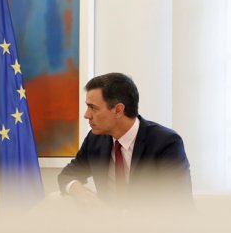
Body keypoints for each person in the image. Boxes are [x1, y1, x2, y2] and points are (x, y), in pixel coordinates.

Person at [58, 72, 193, 209]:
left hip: (154, 228)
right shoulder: (95, 140)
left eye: (93, 108)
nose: (86, 115)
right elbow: (66, 176)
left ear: (118, 110)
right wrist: (78, 191)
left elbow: (177, 204)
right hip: (108, 228)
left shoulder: (166, 143)